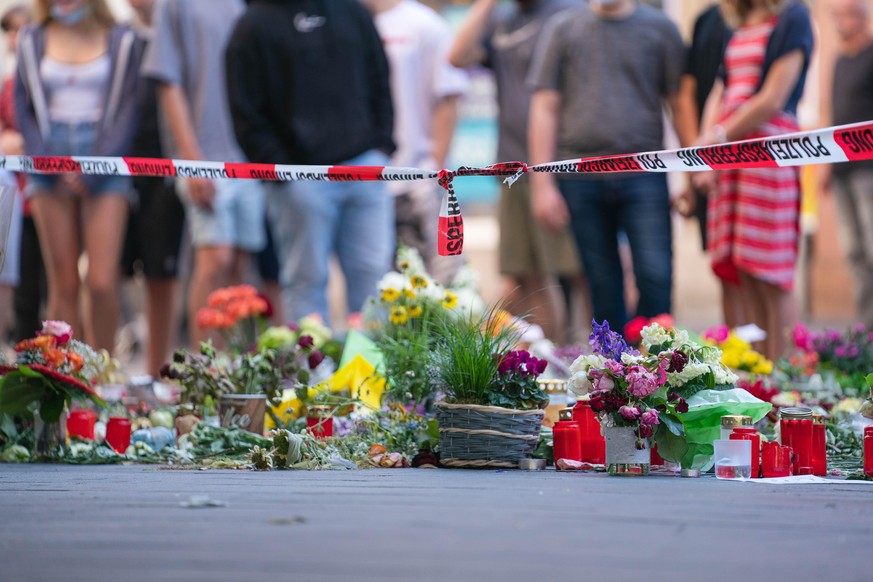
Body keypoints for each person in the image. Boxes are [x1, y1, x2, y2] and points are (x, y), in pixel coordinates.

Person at [226, 0, 395, 325]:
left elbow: (380, 76)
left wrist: (381, 148)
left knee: (374, 281)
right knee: (306, 282)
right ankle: (311, 375)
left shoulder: (352, 11)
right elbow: (245, 112)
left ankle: (374, 373)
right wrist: (282, 170)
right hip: (298, 179)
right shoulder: (253, 25)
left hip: (364, 167)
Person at [528, 0, 693, 332]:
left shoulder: (661, 28)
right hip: (580, 178)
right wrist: (541, 184)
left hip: (645, 176)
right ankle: (613, 375)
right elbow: (545, 106)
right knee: (601, 285)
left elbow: (680, 102)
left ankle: (660, 371)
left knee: (655, 276)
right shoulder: (562, 29)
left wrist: (692, 172)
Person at [449, 0, 584, 342]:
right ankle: (552, 361)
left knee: (579, 271)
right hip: (511, 166)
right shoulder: (503, 20)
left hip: (562, 166)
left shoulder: (569, 13)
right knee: (527, 275)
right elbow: (457, 55)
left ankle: (591, 361)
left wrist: (547, 181)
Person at [15, 0, 142, 352]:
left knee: (102, 281)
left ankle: (103, 371)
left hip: (104, 157)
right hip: (48, 161)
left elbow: (130, 108)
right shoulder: (31, 37)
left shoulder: (122, 38)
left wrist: (95, 166)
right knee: (64, 282)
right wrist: (46, 161)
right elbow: (23, 106)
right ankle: (64, 379)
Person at [142, 0, 266, 347]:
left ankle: (233, 373)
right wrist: (192, 159)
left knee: (240, 268)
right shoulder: (174, 5)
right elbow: (168, 82)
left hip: (251, 156)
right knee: (215, 259)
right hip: (203, 156)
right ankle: (204, 371)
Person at [694, 0, 813, 359]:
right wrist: (704, 154)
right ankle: (751, 375)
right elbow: (721, 89)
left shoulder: (793, 16)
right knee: (737, 270)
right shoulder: (738, 21)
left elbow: (774, 97)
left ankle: (784, 376)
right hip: (731, 155)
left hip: (769, 154)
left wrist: (715, 136)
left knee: (770, 274)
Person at [362, 0, 468, 285]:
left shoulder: (424, 24)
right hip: (368, 181)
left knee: (437, 285)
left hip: (418, 179)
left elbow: (448, 95)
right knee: (381, 289)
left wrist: (434, 167)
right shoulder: (352, 21)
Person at [122, 0, 185, 376]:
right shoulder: (121, 38)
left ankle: (155, 371)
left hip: (165, 169)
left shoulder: (175, 33)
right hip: (114, 170)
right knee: (106, 276)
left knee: (162, 273)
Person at [822, 0, 873, 327]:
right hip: (841, 168)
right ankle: (866, 326)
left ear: (861, 17)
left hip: (868, 168)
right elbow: (832, 112)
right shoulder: (839, 60)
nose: (838, 23)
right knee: (854, 250)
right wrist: (826, 165)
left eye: (843, 16)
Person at [0, 5, 31, 351]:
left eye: (20, 29)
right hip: (17, 193)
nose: (13, 37)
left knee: (22, 285)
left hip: (31, 194)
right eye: (9, 30)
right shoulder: (8, 80)